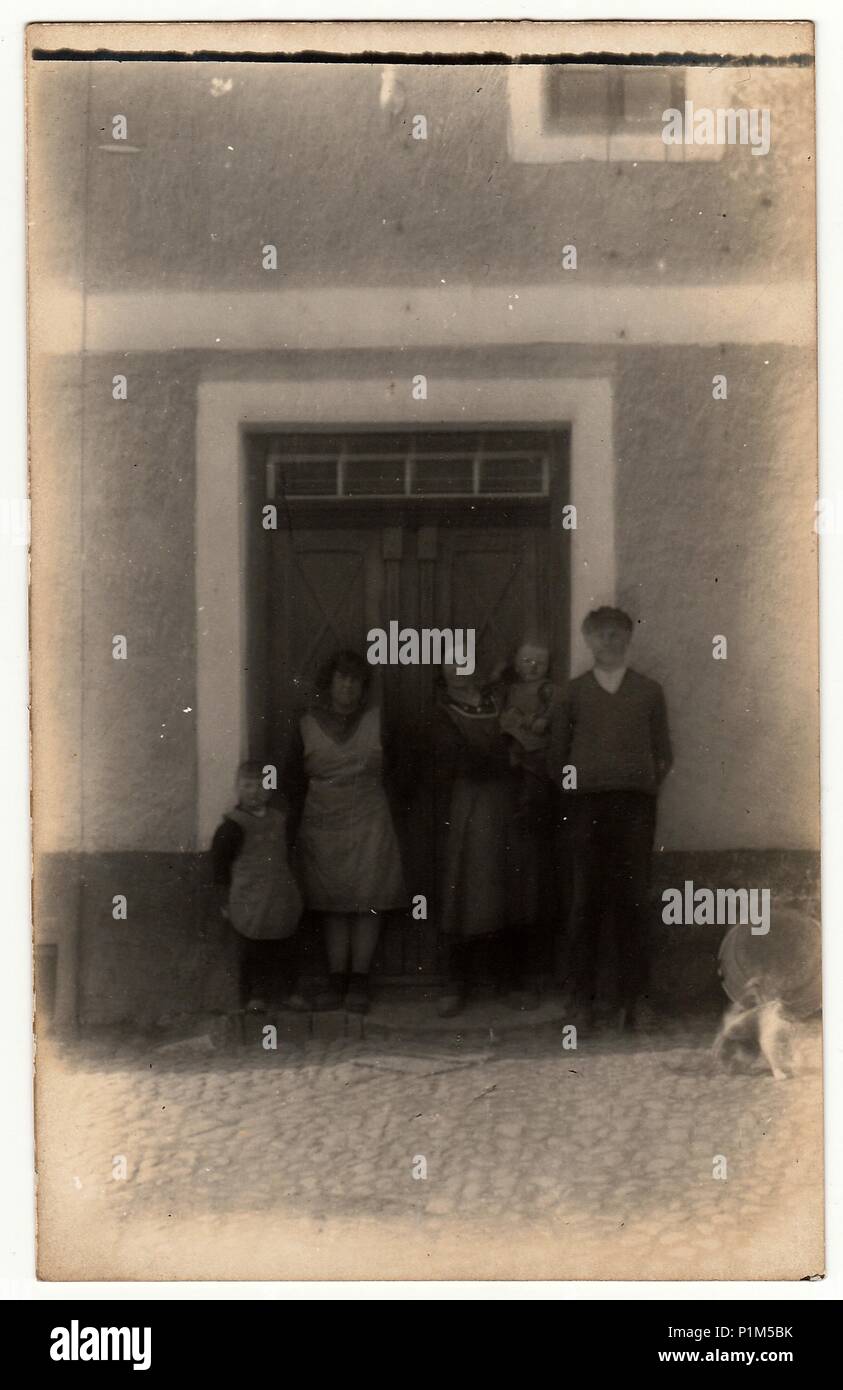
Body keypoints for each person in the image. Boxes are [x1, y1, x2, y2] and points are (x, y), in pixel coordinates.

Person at [549, 607, 673, 1030]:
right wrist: (582, 787)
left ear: (628, 638)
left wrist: (635, 782)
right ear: (587, 640)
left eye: (617, 634)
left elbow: (663, 754)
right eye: (601, 635)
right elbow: (556, 756)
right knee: (585, 902)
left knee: (633, 900)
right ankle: (580, 1003)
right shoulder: (571, 693)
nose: (610, 641)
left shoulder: (649, 691)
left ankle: (636, 1001)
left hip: (635, 808)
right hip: (585, 808)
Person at [284, 649, 406, 1014]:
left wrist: (390, 797)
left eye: (356, 681)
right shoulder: (306, 724)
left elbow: (403, 766)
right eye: (342, 679)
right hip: (323, 821)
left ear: (363, 687)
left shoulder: (379, 722)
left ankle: (359, 981)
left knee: (369, 900)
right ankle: (337, 980)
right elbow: (291, 776)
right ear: (330, 683)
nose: (348, 687)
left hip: (369, 817)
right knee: (332, 902)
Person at [433, 662, 539, 1017]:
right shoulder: (442, 711)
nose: (460, 671)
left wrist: (515, 755)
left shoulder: (500, 702)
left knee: (509, 889)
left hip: (507, 807)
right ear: (443, 671)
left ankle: (509, 981)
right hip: (468, 807)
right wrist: (505, 754)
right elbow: (462, 760)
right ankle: (455, 983)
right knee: (465, 891)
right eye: (451, 665)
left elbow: (526, 743)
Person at [210, 761, 308, 1014]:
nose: (255, 791)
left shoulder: (280, 820)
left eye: (262, 784)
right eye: (247, 785)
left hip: (280, 894)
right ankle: (255, 995)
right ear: (237, 788)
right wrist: (224, 901)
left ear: (270, 788)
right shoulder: (231, 827)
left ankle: (291, 992)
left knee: (287, 943)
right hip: (249, 897)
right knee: (253, 948)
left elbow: (292, 855)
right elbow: (219, 868)